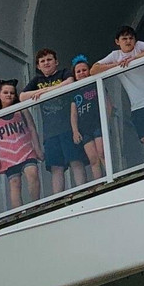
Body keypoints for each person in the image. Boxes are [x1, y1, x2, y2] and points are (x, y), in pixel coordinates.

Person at [91, 26, 144, 159]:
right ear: (117, 41)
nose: (128, 41)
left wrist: (134, 58)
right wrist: (117, 65)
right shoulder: (115, 55)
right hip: (137, 104)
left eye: (130, 38)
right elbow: (94, 70)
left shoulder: (139, 47)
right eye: (124, 39)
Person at [20, 48, 86, 195]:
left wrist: (45, 91)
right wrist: (39, 91)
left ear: (56, 62)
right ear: (38, 66)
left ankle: (83, 192)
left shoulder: (63, 73)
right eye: (42, 61)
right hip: (50, 132)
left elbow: (70, 82)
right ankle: (58, 199)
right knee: (56, 167)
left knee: (76, 161)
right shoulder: (37, 81)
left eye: (49, 59)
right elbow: (22, 96)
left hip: (69, 127)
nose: (46, 63)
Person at [0, 79, 42, 209]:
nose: (9, 95)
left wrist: (37, 148)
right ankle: (19, 212)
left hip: (26, 149)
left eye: (12, 93)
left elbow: (32, 128)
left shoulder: (21, 110)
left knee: (32, 173)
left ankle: (36, 204)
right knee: (14, 183)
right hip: (8, 155)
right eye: (5, 92)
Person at [69, 55, 106, 180]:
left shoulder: (96, 84)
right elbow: (73, 114)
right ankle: (99, 182)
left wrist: (106, 121)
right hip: (84, 129)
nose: (81, 73)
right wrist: (75, 131)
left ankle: (110, 177)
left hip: (98, 124)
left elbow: (108, 103)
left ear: (89, 71)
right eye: (78, 71)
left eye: (84, 70)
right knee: (93, 158)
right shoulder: (74, 92)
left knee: (102, 153)